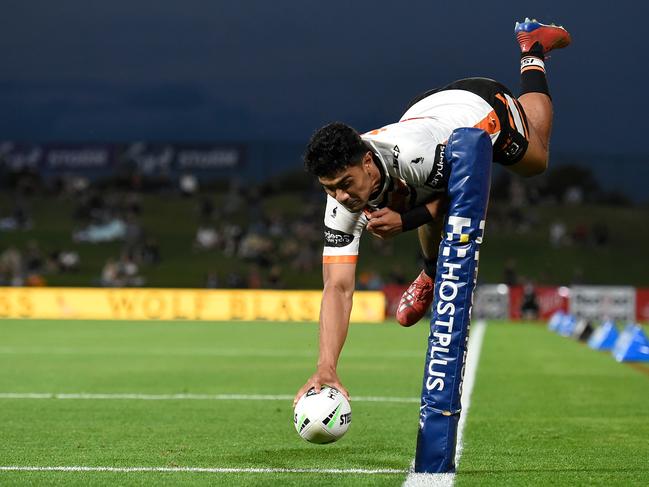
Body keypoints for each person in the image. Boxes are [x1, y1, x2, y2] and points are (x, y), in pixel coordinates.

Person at [293, 19, 571, 403]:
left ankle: (533, 51)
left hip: (481, 110)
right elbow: (337, 287)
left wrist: (405, 221)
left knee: (535, 160)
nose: (340, 197)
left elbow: (470, 191)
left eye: (344, 184)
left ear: (368, 164)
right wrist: (326, 366)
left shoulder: (415, 154)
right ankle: (430, 273)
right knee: (415, 196)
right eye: (330, 189)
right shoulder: (341, 193)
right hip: (427, 111)